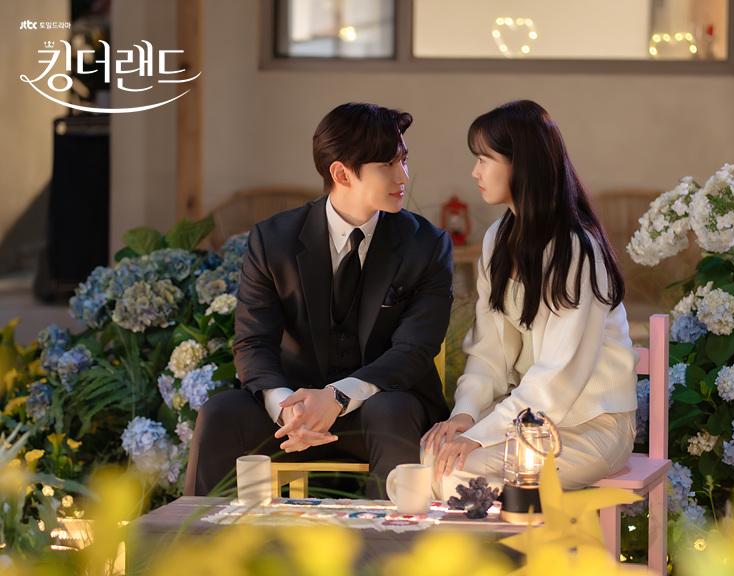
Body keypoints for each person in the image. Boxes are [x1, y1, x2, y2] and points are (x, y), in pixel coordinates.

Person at [185, 103, 452, 498]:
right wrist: (287, 409)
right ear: (341, 173)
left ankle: (392, 537)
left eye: (404, 160)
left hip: (380, 406)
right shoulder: (273, 240)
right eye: (387, 165)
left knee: (393, 411)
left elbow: (415, 349)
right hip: (294, 412)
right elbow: (253, 342)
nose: (403, 176)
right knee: (220, 414)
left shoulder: (426, 244)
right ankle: (196, 537)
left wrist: (338, 397)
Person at [421, 100, 637, 498]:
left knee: (454, 474)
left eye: (484, 159)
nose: (475, 172)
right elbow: (487, 352)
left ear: (520, 164)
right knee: (433, 457)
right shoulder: (497, 239)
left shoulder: (575, 249)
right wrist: (465, 415)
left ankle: (532, 537)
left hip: (590, 427)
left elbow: (558, 375)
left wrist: (480, 436)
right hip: (531, 421)